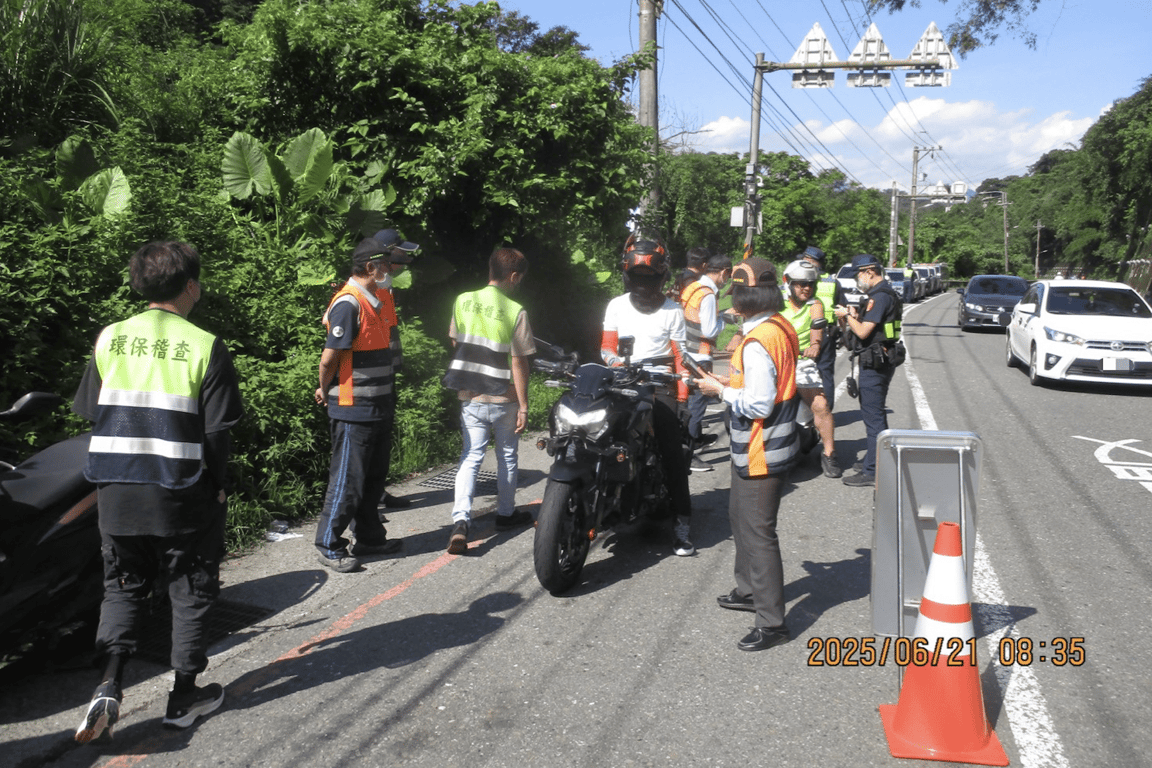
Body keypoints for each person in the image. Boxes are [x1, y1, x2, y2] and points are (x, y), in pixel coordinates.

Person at [72, 241, 244, 741]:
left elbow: (91, 412)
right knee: (189, 588)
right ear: (190, 286)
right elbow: (216, 433)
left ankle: (108, 686)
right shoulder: (204, 344)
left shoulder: (110, 338)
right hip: (179, 492)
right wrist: (218, 485)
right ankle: (182, 699)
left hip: (116, 490)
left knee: (122, 585)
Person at [693, 258, 799, 652]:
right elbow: (761, 382)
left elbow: (758, 404)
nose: (730, 300)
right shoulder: (778, 326)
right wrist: (729, 380)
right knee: (739, 516)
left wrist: (720, 392)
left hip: (761, 446)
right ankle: (749, 590)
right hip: (762, 444)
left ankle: (772, 622)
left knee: (757, 532)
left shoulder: (755, 342)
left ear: (744, 296)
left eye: (735, 293)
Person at [313, 232, 417, 571]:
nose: (392, 269)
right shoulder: (349, 303)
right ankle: (329, 543)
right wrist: (322, 388)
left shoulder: (375, 299)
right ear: (371, 267)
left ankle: (370, 539)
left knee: (373, 479)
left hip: (378, 406)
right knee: (348, 479)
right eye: (386, 264)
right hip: (353, 407)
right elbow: (329, 359)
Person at [601, 236, 695, 556]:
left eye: (650, 277)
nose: (643, 284)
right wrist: (614, 361)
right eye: (638, 277)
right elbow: (607, 346)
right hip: (621, 383)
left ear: (662, 277)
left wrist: (682, 400)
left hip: (660, 386)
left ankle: (682, 522)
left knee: (671, 451)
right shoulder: (615, 305)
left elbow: (680, 357)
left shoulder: (673, 311)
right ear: (628, 275)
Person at [441, 247, 536, 553]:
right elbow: (520, 362)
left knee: (471, 456)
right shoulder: (515, 310)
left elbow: (455, 338)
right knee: (507, 456)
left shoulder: (463, 300)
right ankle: (506, 515)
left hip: (470, 393)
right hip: (504, 396)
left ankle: (460, 521)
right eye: (519, 278)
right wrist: (523, 405)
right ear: (513, 276)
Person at [833, 254, 902, 488]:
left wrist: (848, 316)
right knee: (873, 414)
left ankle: (873, 471)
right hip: (876, 360)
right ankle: (871, 462)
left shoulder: (880, 297)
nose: (857, 279)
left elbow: (863, 332)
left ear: (870, 271)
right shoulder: (879, 295)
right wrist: (850, 318)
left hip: (876, 363)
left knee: (873, 418)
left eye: (858, 274)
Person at [781, 259, 842, 478]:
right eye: (800, 284)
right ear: (787, 282)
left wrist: (815, 345)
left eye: (810, 284)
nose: (807, 288)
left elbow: (818, 326)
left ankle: (829, 453)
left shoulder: (815, 304)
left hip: (802, 362)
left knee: (821, 405)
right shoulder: (776, 303)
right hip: (778, 362)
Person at [367, 229, 413, 513]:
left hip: (385, 372)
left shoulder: (386, 284)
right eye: (399, 252)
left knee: (382, 439)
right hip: (370, 377)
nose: (405, 257)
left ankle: (376, 493)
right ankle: (368, 502)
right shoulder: (372, 287)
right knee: (372, 439)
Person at [680, 252, 732, 472]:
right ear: (723, 272)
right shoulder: (708, 294)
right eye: (728, 276)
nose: (727, 280)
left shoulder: (692, 287)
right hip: (700, 354)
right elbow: (709, 329)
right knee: (697, 404)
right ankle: (689, 455)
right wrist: (727, 318)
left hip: (685, 351)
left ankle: (689, 445)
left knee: (688, 404)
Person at [798, 246, 846, 410]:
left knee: (800, 371)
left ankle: (805, 412)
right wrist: (845, 334)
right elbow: (842, 310)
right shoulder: (833, 282)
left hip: (804, 333)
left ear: (811, 261)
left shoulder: (799, 279)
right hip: (827, 333)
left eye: (805, 260)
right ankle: (826, 411)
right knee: (825, 374)